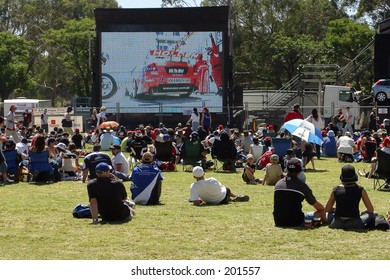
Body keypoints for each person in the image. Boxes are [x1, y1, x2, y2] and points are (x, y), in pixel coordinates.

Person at [273, 157, 326, 227]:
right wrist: (324, 210)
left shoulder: (278, 184)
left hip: (278, 221)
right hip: (296, 221)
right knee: (324, 213)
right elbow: (316, 205)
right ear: (299, 171)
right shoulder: (302, 186)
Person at [325, 165, 375, 230]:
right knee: (373, 214)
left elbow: (327, 209)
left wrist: (335, 209)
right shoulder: (360, 190)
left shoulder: (336, 190)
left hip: (337, 222)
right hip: (355, 222)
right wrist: (364, 212)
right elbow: (371, 209)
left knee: (327, 214)